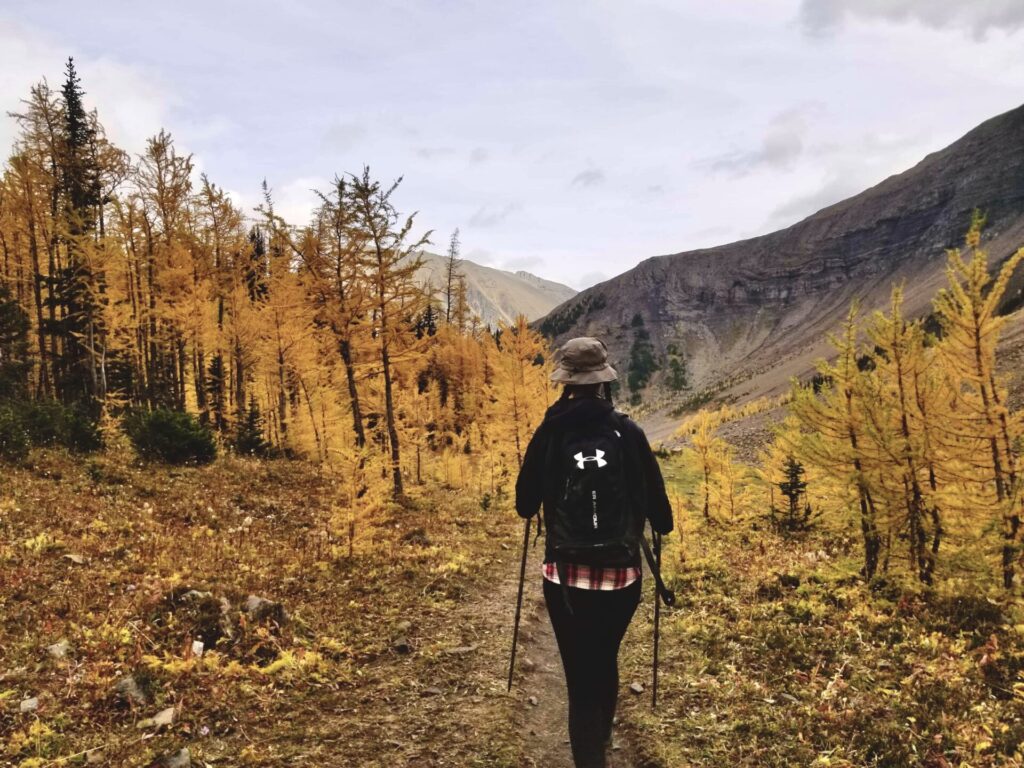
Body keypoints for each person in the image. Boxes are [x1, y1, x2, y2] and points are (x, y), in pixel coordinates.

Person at [515, 336, 674, 768]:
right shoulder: (628, 431)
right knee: (604, 658)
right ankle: (600, 742)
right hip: (621, 577)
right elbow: (663, 518)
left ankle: (590, 758)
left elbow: (524, 504)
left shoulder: (550, 431)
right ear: (604, 381)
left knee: (579, 675)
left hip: (564, 578)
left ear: (565, 381)